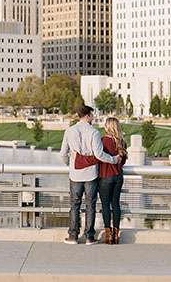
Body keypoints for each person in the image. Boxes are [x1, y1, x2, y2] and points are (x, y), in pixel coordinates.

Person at [59, 105, 118, 245]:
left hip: (75, 174)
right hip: (91, 174)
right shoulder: (94, 132)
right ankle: (89, 237)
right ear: (87, 116)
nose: (93, 117)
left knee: (74, 205)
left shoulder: (69, 131)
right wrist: (113, 159)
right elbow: (99, 154)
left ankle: (73, 236)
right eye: (92, 115)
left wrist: (71, 163)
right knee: (90, 205)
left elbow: (62, 154)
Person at [97, 117, 127, 244]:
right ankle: (116, 234)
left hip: (105, 176)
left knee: (105, 205)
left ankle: (108, 235)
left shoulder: (102, 141)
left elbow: (98, 157)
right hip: (118, 176)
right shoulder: (121, 142)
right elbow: (123, 161)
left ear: (107, 127)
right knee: (115, 204)